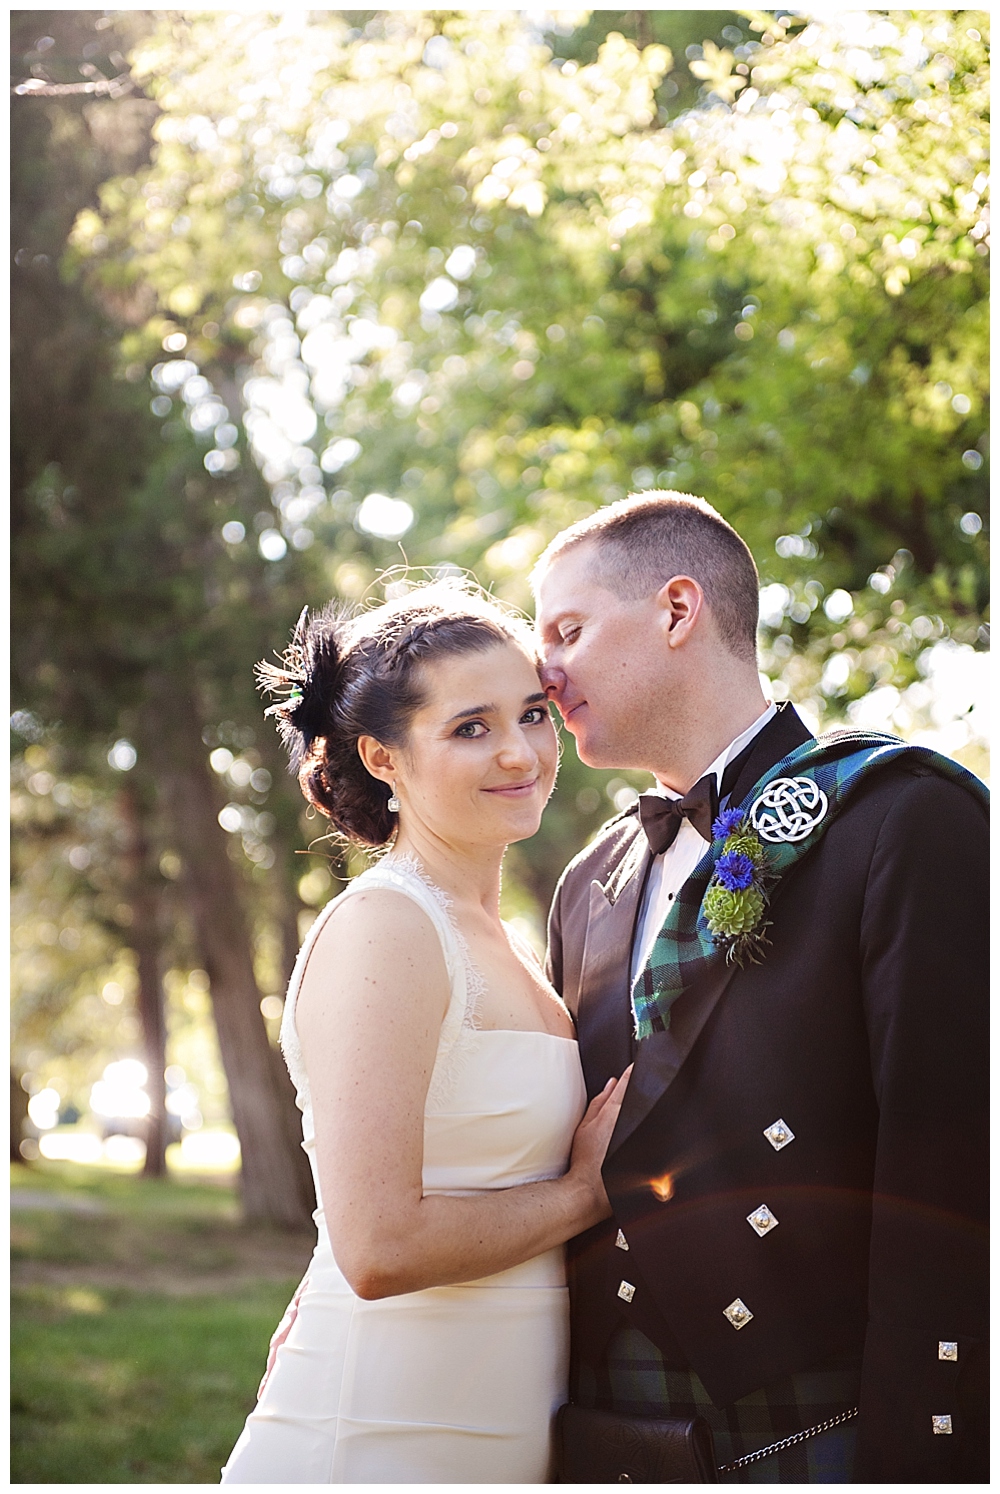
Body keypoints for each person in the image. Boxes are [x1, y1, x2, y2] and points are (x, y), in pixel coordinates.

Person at [533, 491, 988, 1483]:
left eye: (568, 629)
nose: (544, 671)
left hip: (823, 1424)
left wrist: (926, 1457)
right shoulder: (587, 882)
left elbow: (952, 1173)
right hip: (603, 1429)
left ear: (677, 609)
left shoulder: (901, 818)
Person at [221, 581, 629, 1484]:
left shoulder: (510, 942)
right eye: (470, 728)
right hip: (379, 1434)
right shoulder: (389, 929)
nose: (521, 753)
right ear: (383, 757)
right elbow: (376, 1247)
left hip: (495, 1428)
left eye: (533, 714)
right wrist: (586, 1195)